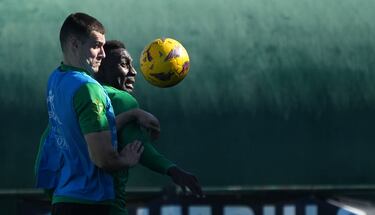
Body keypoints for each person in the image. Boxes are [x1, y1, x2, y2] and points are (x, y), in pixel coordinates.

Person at [34, 13, 161, 215]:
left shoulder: (56, 79)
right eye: (96, 45)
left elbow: (82, 133)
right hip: (90, 203)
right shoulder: (88, 88)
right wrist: (126, 159)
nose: (103, 53)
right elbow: (103, 159)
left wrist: (131, 114)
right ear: (75, 44)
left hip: (63, 199)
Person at [94, 40, 203, 215]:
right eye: (124, 65)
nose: (134, 71)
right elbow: (139, 146)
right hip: (107, 205)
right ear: (101, 68)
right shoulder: (121, 99)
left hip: (66, 200)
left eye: (132, 65)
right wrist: (173, 170)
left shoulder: (80, 94)